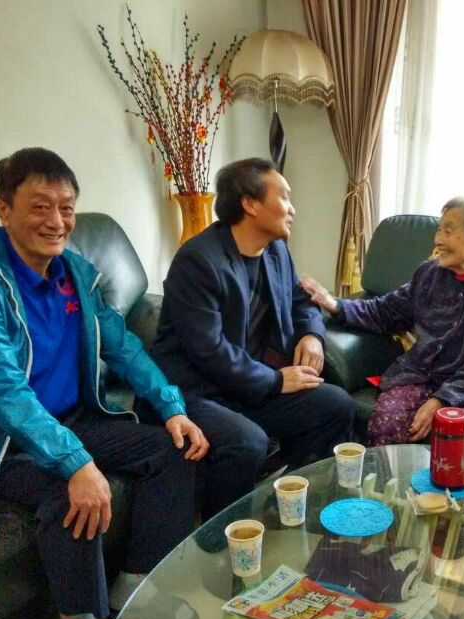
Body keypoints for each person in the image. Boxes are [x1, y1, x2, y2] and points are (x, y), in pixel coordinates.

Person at [0, 148, 209, 619]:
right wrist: (75, 462)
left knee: (173, 448)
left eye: (66, 207)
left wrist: (172, 407)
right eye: (40, 206)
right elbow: (1, 392)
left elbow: (124, 347)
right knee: (71, 493)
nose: (57, 221)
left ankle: (135, 583)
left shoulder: (74, 273)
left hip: (71, 420)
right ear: (4, 209)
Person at [150, 158, 354, 473]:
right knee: (247, 441)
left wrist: (312, 335)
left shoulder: (276, 250)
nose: (292, 209)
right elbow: (209, 351)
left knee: (335, 405)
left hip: (250, 385)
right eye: (284, 197)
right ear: (250, 204)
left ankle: (298, 492)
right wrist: (275, 381)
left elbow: (300, 299)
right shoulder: (198, 261)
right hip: (200, 390)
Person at [302, 197, 464, 457]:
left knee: (462, 432)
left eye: (448, 232)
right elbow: (386, 311)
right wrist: (335, 305)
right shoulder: (428, 274)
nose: (437, 240)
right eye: (439, 230)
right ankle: (388, 484)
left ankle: (450, 487)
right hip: (422, 375)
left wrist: (442, 399)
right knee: (388, 419)